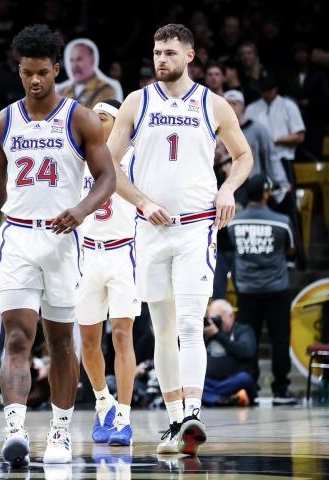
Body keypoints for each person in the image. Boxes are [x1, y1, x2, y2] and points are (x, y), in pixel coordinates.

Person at [105, 24, 253, 456]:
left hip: (196, 227)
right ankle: (176, 423)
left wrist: (228, 189)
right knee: (163, 329)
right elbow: (108, 166)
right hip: (151, 228)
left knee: (190, 323)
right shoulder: (137, 102)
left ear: (190, 56)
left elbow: (243, 156)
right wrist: (140, 201)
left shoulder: (212, 104)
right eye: (157, 52)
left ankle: (193, 414)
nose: (161, 59)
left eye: (170, 52)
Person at [0, 25, 116, 465]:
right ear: (18, 71)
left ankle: (60, 432)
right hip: (18, 236)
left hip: (62, 239)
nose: (34, 80)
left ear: (56, 69)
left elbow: (108, 178)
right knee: (17, 337)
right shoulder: (1, 123)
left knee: (60, 342)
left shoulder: (81, 118)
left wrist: (81, 209)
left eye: (42, 72)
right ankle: (15, 430)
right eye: (27, 73)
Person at [76, 99, 140, 447]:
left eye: (102, 116)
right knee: (88, 340)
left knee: (121, 335)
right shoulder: (79, 158)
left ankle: (124, 417)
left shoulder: (133, 158)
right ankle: (103, 402)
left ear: (118, 122)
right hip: (86, 254)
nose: (95, 121)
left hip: (123, 252)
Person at [228, 175, 296, 404]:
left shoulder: (234, 223)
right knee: (280, 340)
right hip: (277, 289)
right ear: (266, 194)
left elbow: (233, 246)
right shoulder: (282, 222)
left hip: (246, 290)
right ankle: (281, 389)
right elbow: (291, 250)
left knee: (249, 341)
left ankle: (251, 389)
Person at [203, 299, 257, 406]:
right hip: (209, 382)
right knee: (190, 383)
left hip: (232, 381)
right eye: (211, 319)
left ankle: (211, 398)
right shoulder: (207, 333)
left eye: (217, 318)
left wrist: (217, 335)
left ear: (231, 316)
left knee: (244, 378)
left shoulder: (242, 330)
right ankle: (223, 399)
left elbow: (246, 352)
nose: (214, 323)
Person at [57, 39, 123, 108]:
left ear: (92, 60)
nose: (74, 65)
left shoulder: (106, 90)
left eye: (79, 59)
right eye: (72, 60)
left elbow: (99, 114)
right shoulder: (64, 90)